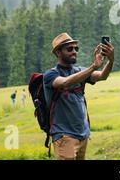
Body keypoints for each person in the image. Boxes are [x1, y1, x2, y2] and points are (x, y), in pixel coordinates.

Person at [43, 32, 114, 160]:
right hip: (64, 136)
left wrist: (111, 60)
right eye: (69, 49)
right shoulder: (50, 75)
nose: (74, 51)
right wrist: (93, 67)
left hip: (83, 135)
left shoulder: (80, 71)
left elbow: (103, 76)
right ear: (58, 53)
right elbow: (65, 83)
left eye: (76, 48)